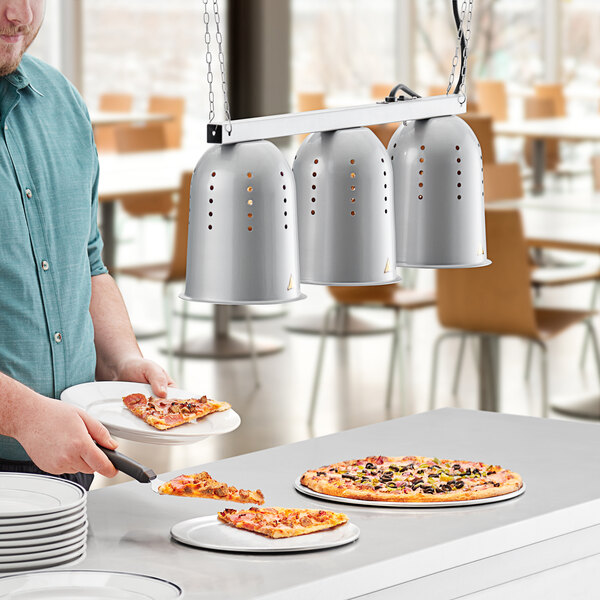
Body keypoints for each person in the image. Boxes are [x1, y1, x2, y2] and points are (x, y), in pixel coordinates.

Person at [0, 0, 173, 490]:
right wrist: (23, 416)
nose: (20, 15)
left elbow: (87, 261)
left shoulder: (61, 101)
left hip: (68, 466)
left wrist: (121, 361)